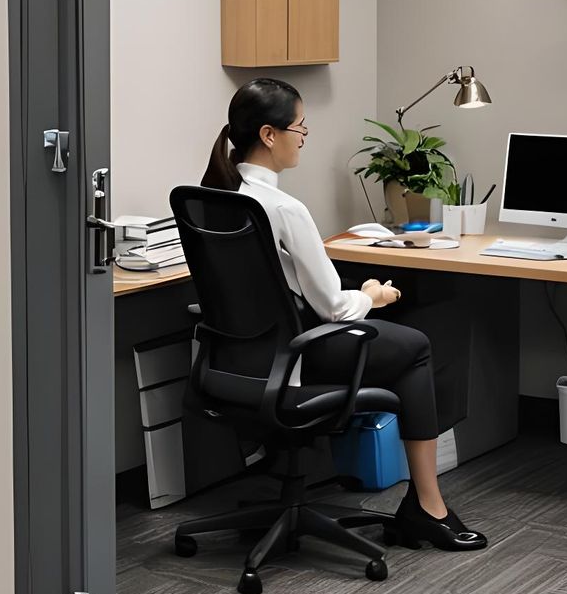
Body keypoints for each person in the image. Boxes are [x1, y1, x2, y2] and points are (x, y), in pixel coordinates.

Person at [202, 78, 486, 551]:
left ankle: (423, 504)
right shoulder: (284, 208)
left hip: (238, 362)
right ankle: (427, 505)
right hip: (294, 360)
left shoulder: (214, 196)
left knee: (402, 345)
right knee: (416, 346)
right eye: (299, 127)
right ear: (269, 135)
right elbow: (334, 307)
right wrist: (372, 295)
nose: (303, 137)